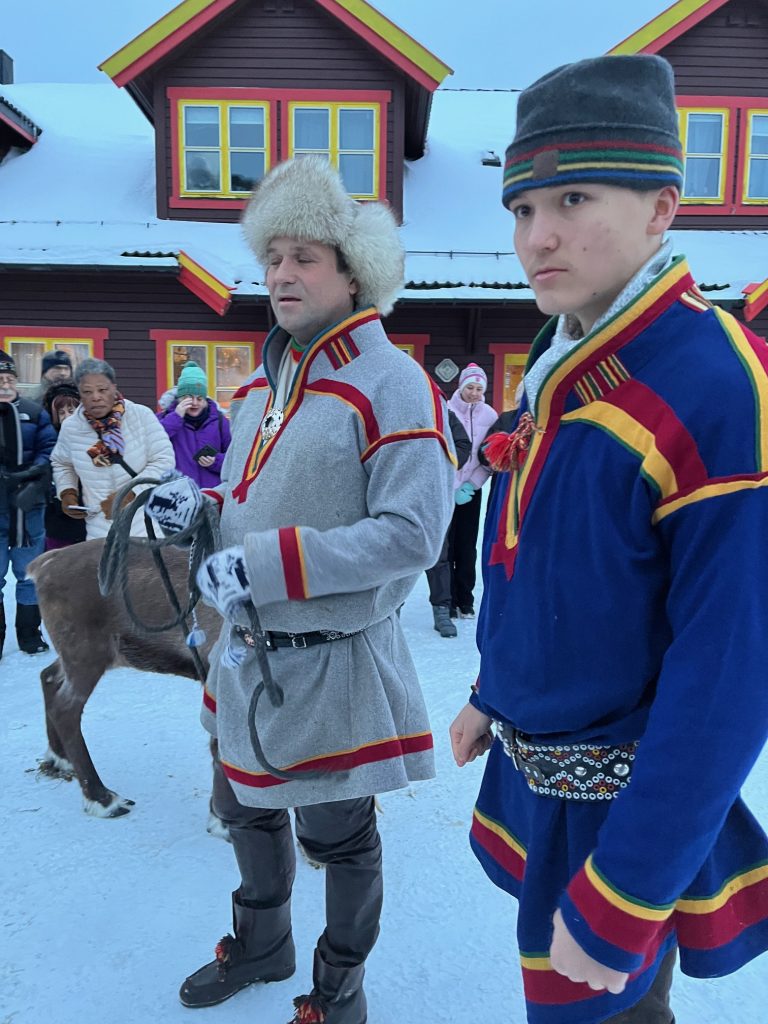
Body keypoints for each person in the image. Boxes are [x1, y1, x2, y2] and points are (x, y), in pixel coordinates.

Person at [449, 54, 768, 1024]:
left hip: (625, 815)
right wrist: (488, 694)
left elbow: (728, 674)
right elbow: (540, 566)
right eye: (520, 209)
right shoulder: (565, 358)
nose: (536, 237)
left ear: (662, 209)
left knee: (610, 1010)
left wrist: (629, 887)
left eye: (573, 198)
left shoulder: (715, 388)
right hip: (538, 771)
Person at [146, 156, 455, 1024]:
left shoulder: (394, 383)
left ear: (355, 273)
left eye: (304, 257)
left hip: (328, 667)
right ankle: (262, 944)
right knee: (242, 805)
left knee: (336, 835)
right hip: (243, 659)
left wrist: (270, 565)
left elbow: (413, 535)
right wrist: (195, 509)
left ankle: (339, 987)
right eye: (272, 256)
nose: (280, 273)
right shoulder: (258, 383)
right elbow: (243, 504)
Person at [51, 357, 175, 539]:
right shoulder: (71, 428)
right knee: (104, 567)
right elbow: (61, 462)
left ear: (114, 388)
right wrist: (67, 492)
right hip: (99, 531)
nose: (96, 397)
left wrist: (130, 494)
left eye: (102, 390)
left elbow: (164, 461)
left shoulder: (141, 416)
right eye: (87, 391)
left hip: (146, 525)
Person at [0, 349, 56, 658]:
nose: (5, 384)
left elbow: (49, 446)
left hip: (28, 508)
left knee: (29, 571)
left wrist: (35, 471)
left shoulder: (34, 411)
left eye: (9, 378)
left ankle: (29, 632)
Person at [446, 363, 497, 618]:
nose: (474, 392)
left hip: (470, 491)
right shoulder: (446, 411)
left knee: (467, 546)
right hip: (446, 489)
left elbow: (491, 456)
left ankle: (465, 600)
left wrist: (471, 485)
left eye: (479, 388)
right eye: (470, 387)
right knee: (447, 547)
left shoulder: (490, 416)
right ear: (461, 387)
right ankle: (447, 601)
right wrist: (452, 485)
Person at [426, 408, 470, 637]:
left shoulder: (443, 413)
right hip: (399, 492)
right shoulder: (396, 407)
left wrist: (440, 463)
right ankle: (392, 610)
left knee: (438, 555)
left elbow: (463, 445)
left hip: (436, 493)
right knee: (396, 551)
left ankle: (441, 611)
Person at [157, 361, 232, 487]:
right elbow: (154, 444)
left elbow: (235, 457)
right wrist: (175, 417)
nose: (195, 403)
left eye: (199, 398)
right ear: (179, 398)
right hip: (177, 494)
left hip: (212, 496)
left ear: (205, 398)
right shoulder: (164, 418)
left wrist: (216, 461)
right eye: (189, 398)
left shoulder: (220, 422)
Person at [41, 380, 86, 550]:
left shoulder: (92, 437)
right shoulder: (50, 440)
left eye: (71, 411)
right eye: (62, 412)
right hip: (57, 518)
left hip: (87, 515)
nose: (67, 416)